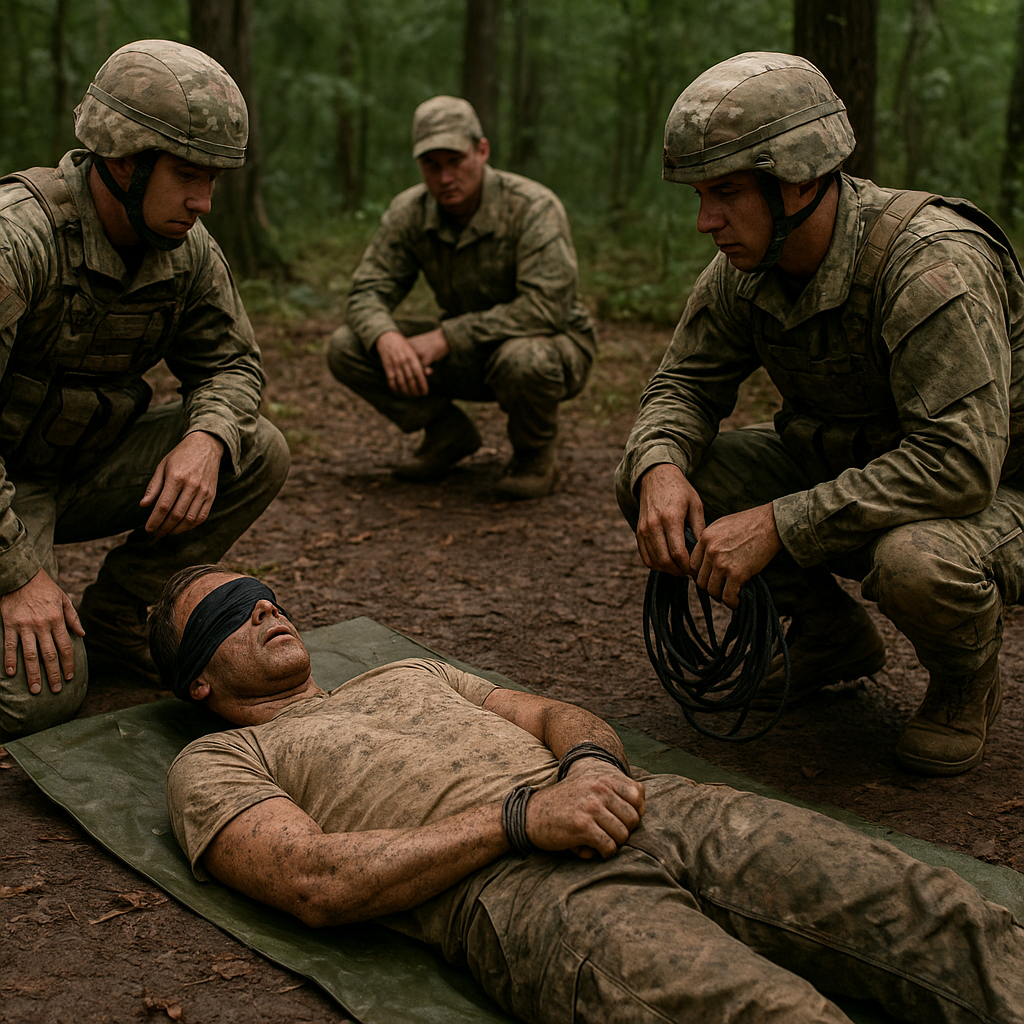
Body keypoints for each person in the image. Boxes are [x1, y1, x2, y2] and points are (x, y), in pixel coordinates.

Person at [155, 565, 1024, 1024]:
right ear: (197, 679)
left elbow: (550, 712)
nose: (265, 609)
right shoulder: (221, 760)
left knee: (927, 908)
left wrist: (591, 765)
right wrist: (519, 820)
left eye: (264, 595)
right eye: (231, 611)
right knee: (769, 1013)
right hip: (521, 887)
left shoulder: (406, 670)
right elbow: (315, 880)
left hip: (643, 800)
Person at [616, 51, 1024, 776]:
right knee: (665, 477)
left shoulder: (931, 265)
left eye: (726, 192)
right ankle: (829, 636)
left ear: (800, 179)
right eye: (701, 196)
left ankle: (965, 682)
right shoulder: (746, 266)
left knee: (916, 562)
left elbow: (959, 464)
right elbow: (683, 384)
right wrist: (659, 467)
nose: (706, 221)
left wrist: (779, 523)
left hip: (995, 493)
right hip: (857, 469)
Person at [0, 40, 290, 738]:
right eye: (188, 174)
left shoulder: (185, 248)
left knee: (254, 448)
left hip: (79, 466)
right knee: (34, 702)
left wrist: (206, 438)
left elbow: (232, 364)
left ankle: (118, 613)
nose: (203, 202)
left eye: (213, 179)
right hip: (8, 483)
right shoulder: (17, 240)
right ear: (124, 160)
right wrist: (16, 576)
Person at [326, 95, 596, 500]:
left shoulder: (532, 207)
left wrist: (446, 337)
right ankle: (446, 433)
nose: (445, 177)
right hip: (472, 353)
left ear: (482, 151)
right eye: (431, 165)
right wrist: (386, 337)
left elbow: (546, 309)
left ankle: (534, 455)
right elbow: (367, 291)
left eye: (456, 161)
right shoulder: (410, 211)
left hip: (551, 347)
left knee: (524, 359)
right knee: (348, 346)